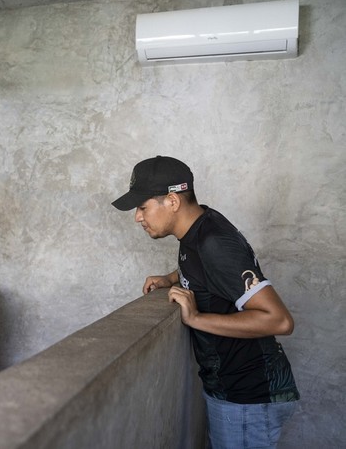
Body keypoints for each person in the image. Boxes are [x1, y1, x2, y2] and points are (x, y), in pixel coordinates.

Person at [111, 156, 300, 449]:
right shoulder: (199, 227)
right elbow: (207, 269)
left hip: (248, 395)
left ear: (172, 201)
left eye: (143, 207)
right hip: (234, 392)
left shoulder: (214, 242)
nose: (137, 217)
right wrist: (170, 278)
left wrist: (196, 318)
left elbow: (279, 320)